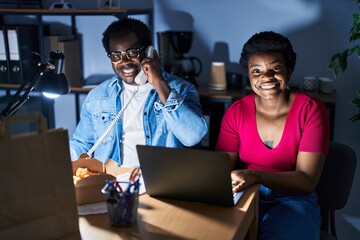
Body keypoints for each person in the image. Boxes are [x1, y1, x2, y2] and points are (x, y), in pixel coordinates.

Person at [216, 31, 330, 239]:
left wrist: (256, 175)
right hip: (246, 194)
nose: (266, 78)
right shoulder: (237, 111)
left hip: (293, 200)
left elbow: (306, 181)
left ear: (289, 69)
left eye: (275, 69)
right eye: (256, 71)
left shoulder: (310, 109)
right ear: (248, 75)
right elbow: (221, 168)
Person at [69, 18, 208, 167]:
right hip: (110, 183)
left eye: (132, 52)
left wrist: (160, 83)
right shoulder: (97, 97)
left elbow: (193, 137)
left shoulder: (182, 89)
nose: (124, 62)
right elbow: (82, 144)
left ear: (149, 52)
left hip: (158, 183)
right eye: (116, 56)